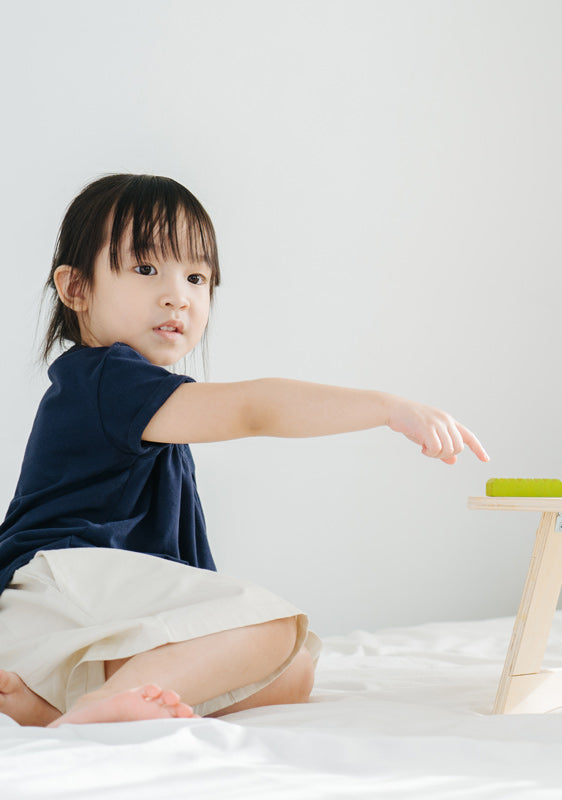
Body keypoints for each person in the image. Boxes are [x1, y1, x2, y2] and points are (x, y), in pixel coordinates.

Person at [0, 174, 487, 727]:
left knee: (293, 666)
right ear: (76, 288)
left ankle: (47, 703)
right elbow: (255, 408)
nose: (176, 294)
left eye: (196, 276)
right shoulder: (106, 378)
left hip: (76, 611)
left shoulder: (139, 397)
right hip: (59, 583)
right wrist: (385, 406)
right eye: (144, 269)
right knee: (273, 626)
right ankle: (98, 708)